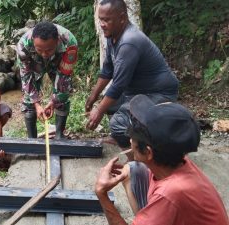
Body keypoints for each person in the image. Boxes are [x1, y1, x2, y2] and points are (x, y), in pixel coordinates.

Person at [94, 94, 229, 225]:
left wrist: (102, 193)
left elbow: (170, 196)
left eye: (133, 136)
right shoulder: (174, 158)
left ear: (148, 152)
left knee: (134, 171)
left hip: (168, 199)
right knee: (132, 170)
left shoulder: (170, 194)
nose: (130, 140)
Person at [85, 0, 179, 157]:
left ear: (122, 17)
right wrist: (93, 96)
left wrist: (98, 111)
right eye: (100, 19)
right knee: (107, 104)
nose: (102, 24)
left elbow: (119, 85)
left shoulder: (129, 42)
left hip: (158, 94)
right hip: (137, 92)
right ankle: (126, 138)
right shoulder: (112, 35)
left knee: (118, 124)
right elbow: (108, 70)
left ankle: (139, 158)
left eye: (107, 19)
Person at [17, 21, 78, 139]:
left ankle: (59, 135)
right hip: (34, 62)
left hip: (59, 60)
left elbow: (64, 77)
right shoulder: (23, 46)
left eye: (49, 50)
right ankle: (32, 139)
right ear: (33, 41)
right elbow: (26, 76)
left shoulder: (70, 43)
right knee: (29, 99)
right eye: (39, 49)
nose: (44, 54)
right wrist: (36, 103)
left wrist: (53, 101)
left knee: (62, 95)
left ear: (57, 41)